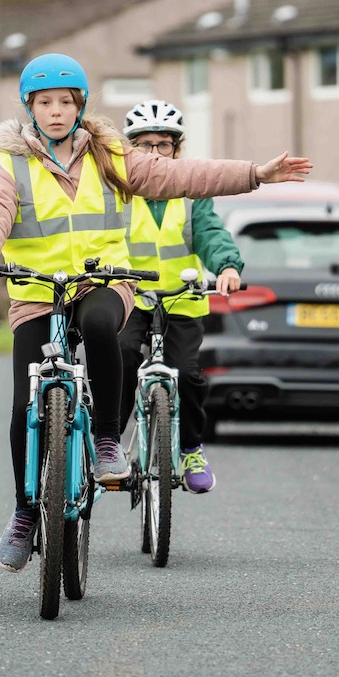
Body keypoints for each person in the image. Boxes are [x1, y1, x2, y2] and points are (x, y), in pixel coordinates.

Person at [0, 54, 313, 572]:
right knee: (23, 407)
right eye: (45, 103)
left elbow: (181, 176)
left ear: (80, 106)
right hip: (38, 291)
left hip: (105, 280)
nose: (56, 112)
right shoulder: (11, 164)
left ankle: (107, 438)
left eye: (66, 102)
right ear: (30, 108)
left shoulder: (110, 155)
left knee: (103, 325)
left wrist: (255, 174)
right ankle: (23, 513)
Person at [118, 100, 243, 495]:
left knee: (187, 375)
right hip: (130, 298)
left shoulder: (192, 191)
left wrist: (226, 266)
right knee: (118, 359)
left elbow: (209, 232)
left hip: (180, 300)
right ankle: (111, 447)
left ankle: (190, 448)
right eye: (144, 145)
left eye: (163, 145)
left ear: (177, 149)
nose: (154, 154)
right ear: (130, 148)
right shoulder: (117, 191)